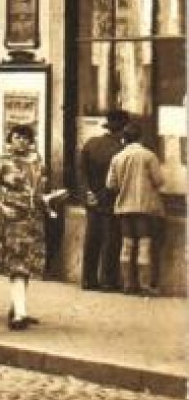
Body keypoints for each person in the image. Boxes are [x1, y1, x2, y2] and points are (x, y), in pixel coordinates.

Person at [0, 124, 47, 330]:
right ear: (10, 139)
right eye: (17, 137)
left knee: (27, 265)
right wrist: (1, 206)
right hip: (13, 218)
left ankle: (18, 306)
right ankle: (20, 313)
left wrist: (46, 204)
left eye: (26, 138)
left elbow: (39, 188)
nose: (22, 141)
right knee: (17, 264)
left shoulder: (37, 162)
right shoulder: (1, 162)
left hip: (33, 218)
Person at [107, 122, 167, 297]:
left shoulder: (117, 158)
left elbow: (110, 184)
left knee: (127, 245)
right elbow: (159, 181)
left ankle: (127, 284)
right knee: (144, 244)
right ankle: (144, 285)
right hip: (145, 207)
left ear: (125, 139)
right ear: (141, 137)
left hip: (124, 207)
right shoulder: (149, 156)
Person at [76, 110, 128, 291]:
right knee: (111, 240)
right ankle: (107, 280)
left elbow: (81, 172)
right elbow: (117, 180)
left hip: (92, 201)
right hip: (110, 200)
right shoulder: (121, 150)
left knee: (92, 239)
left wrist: (87, 193)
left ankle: (88, 280)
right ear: (123, 129)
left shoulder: (91, 143)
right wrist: (101, 195)